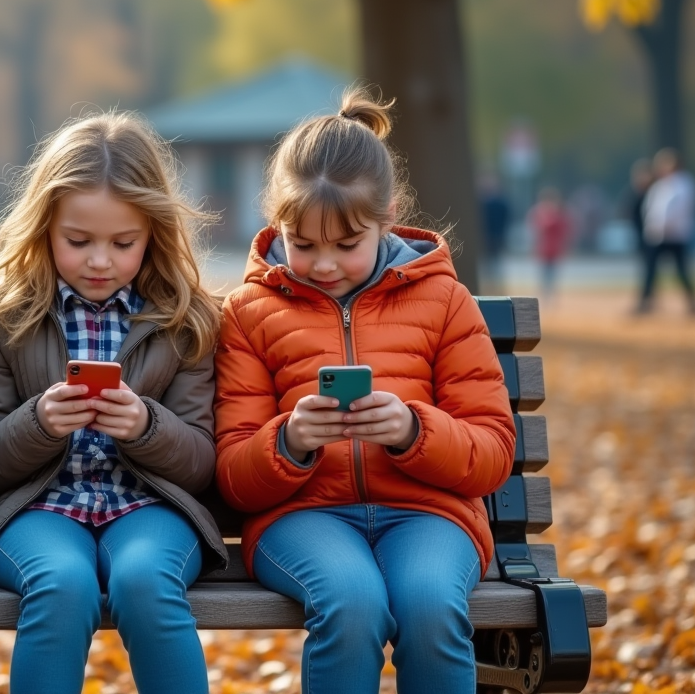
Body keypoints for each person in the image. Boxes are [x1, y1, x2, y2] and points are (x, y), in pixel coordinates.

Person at [214, 86, 515, 694]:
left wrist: (413, 431)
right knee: (351, 604)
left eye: (346, 245)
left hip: (429, 513)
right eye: (303, 245)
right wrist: (291, 440)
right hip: (302, 516)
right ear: (278, 226)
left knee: (430, 606)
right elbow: (234, 474)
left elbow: (492, 451)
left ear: (387, 218)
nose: (323, 265)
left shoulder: (444, 300)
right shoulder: (248, 312)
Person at [0, 111, 228, 694]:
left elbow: (202, 462)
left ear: (153, 233)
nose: (100, 260)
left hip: (150, 506)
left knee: (144, 581)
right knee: (61, 585)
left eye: (123, 243)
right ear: (45, 228)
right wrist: (38, 423)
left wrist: (145, 425)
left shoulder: (186, 320)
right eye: (78, 241)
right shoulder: (1, 315)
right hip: (38, 509)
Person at [636, 147, 695, 315]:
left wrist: (664, 225)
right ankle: (646, 302)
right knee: (650, 270)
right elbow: (651, 209)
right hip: (657, 234)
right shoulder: (662, 185)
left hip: (675, 234)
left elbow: (678, 209)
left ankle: (691, 303)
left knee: (681, 270)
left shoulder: (683, 183)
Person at [526, 186, 571, 301]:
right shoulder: (540, 212)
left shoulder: (558, 213)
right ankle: (546, 294)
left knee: (551, 273)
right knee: (544, 273)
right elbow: (536, 228)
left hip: (554, 248)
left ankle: (550, 294)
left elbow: (564, 230)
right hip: (544, 248)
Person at [477, 172, 510, 292]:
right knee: (488, 266)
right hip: (487, 238)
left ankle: (496, 288)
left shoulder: (497, 203)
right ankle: (490, 287)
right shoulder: (483, 203)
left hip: (495, 237)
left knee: (495, 265)